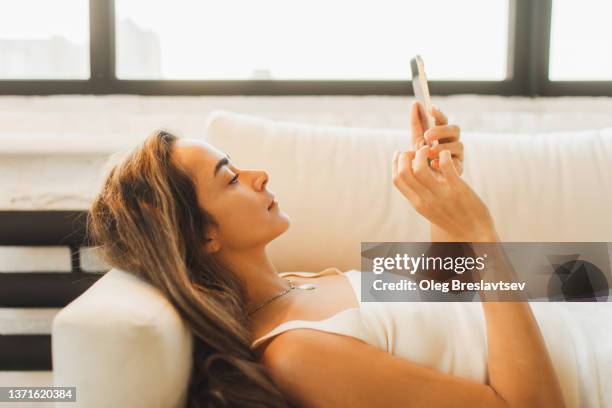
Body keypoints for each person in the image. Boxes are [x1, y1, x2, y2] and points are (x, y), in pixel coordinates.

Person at [87, 103, 566, 408]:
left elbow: (437, 294)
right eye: (230, 178)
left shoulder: (294, 284)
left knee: (581, 267)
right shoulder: (296, 353)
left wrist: (442, 192)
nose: (260, 175)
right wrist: (480, 233)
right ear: (204, 234)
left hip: (582, 315)